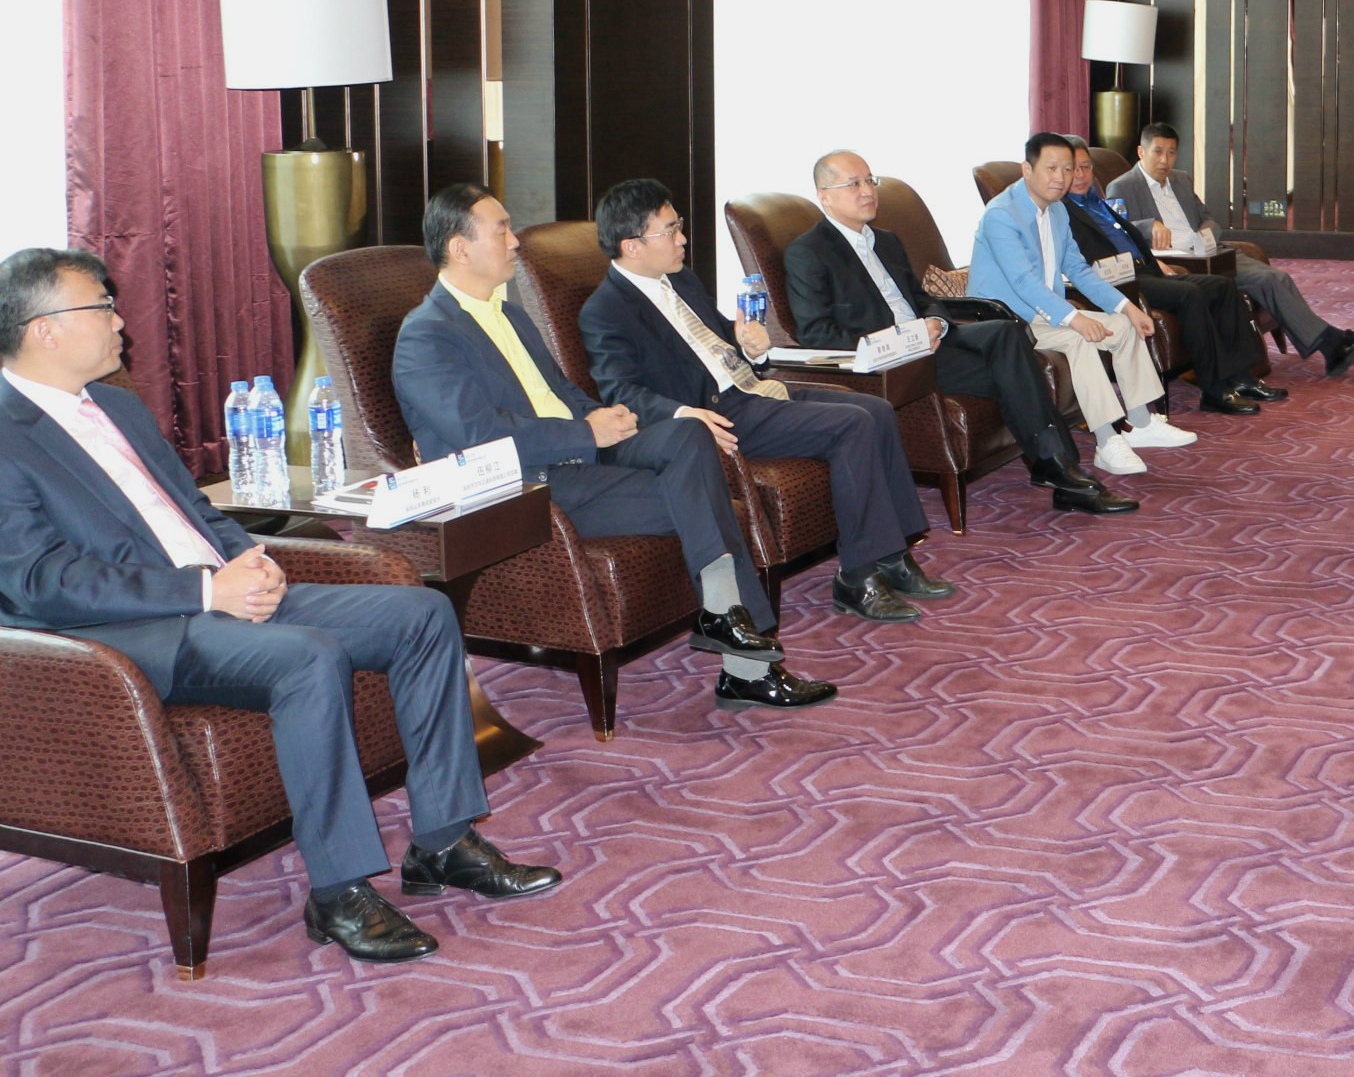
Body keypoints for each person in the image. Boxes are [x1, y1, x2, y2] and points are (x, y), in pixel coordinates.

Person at [0, 246, 561, 963]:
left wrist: (249, 562)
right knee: (308, 657)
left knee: (421, 613)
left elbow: (198, 512)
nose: (120, 323)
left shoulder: (117, 406)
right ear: (44, 329)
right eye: (102, 307)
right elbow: (38, 581)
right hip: (136, 631)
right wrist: (207, 590)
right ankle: (338, 891)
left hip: (221, 594)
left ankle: (444, 841)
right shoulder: (8, 436)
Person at [393, 183, 834, 712]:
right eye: (502, 229)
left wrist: (603, 418)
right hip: (526, 483)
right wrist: (587, 433)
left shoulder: (509, 314)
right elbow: (481, 435)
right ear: (460, 248)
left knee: (688, 433)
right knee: (705, 497)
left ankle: (727, 628)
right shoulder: (427, 335)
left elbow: (560, 392)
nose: (515, 241)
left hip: (579, 451)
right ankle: (745, 663)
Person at [579, 178, 952, 626]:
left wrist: (748, 343)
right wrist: (683, 413)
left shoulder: (681, 280)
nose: (683, 239)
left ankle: (893, 556)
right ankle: (857, 577)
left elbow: (720, 336)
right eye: (670, 230)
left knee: (877, 410)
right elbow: (620, 390)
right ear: (632, 246)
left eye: (679, 226)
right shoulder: (605, 311)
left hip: (753, 389)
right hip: (718, 413)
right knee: (852, 424)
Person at [785, 151, 1133, 516]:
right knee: (1014, 374)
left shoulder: (886, 241)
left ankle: (1058, 468)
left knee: (1005, 332)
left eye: (870, 180)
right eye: (854, 184)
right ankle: (1062, 472)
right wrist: (901, 338)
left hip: (931, 341)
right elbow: (816, 334)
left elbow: (922, 298)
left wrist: (937, 322)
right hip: (895, 361)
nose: (868, 191)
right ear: (824, 196)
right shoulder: (808, 252)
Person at [971, 133, 1197, 479]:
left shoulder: (1058, 210)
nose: (1061, 178)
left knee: (1123, 326)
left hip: (1044, 312)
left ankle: (1141, 423)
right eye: (1051, 169)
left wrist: (1126, 308)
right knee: (1080, 339)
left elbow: (1078, 269)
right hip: (1006, 320)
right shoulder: (1001, 215)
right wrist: (1074, 318)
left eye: (1067, 169)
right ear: (1027, 170)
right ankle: (1107, 441)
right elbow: (1022, 281)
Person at [1107, 123, 1354, 377]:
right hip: (1179, 264)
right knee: (1268, 279)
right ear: (1141, 151)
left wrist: (1205, 235)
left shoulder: (1181, 180)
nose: (1165, 160)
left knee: (1279, 277)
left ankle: (1333, 345)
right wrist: (1148, 226)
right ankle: (1334, 343)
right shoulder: (1122, 186)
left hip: (1209, 253)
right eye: (1157, 152)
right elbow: (1113, 231)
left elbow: (1208, 218)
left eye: (1171, 153)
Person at [1063, 143, 1282, 417]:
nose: (1081, 175)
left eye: (1086, 167)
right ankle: (1214, 390)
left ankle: (1242, 377)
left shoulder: (1097, 201)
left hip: (1145, 269)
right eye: (1074, 169)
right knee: (1190, 294)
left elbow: (1127, 237)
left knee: (1222, 286)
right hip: (1120, 282)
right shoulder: (1063, 210)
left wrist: (1154, 262)